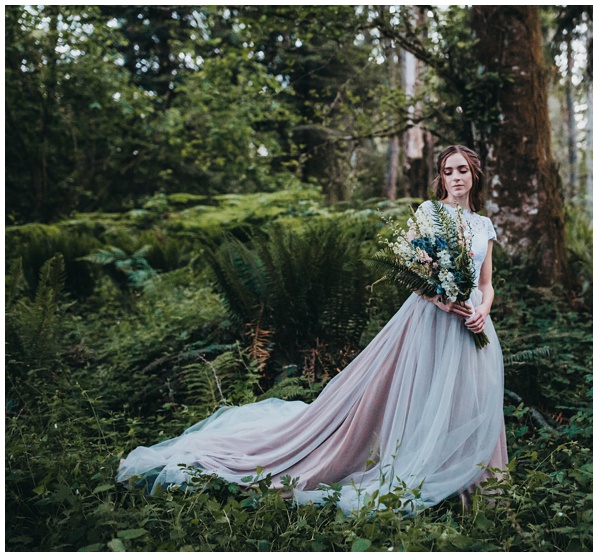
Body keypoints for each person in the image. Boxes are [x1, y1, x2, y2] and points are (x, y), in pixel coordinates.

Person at [117, 145, 508, 514]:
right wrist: (438, 298)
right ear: (441, 178)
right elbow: (409, 270)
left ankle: (467, 481)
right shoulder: (428, 213)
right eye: (448, 171)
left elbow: (486, 283)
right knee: (424, 394)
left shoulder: (483, 225)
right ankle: (414, 467)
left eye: (462, 170)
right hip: (431, 319)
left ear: (474, 174)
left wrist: (482, 311)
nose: (456, 177)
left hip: (471, 321)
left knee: (465, 399)